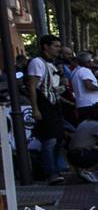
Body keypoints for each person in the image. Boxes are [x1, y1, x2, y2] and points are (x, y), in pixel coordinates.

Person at [27, 37, 70, 180]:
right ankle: (50, 172)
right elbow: (32, 86)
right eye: (56, 46)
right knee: (50, 140)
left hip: (54, 103)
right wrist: (35, 108)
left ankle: (55, 168)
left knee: (58, 138)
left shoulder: (52, 64)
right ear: (46, 46)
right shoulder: (37, 63)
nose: (58, 49)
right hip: (44, 104)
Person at [70, 52, 98, 123]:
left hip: (81, 104)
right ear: (88, 62)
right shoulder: (85, 71)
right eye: (91, 60)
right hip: (91, 104)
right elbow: (88, 85)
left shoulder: (74, 71)